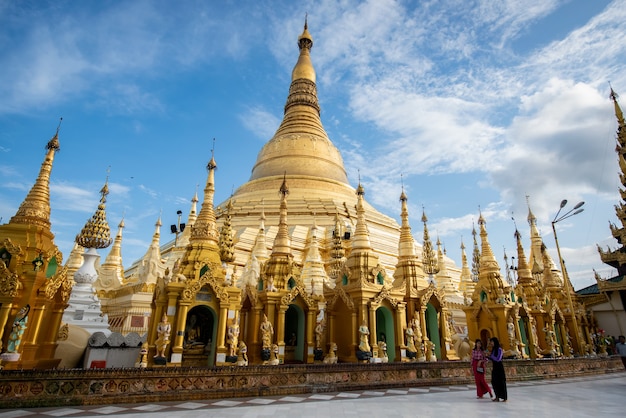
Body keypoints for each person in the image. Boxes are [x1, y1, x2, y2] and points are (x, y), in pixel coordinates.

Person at [487, 337, 507, 402]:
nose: (491, 343)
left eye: (492, 342)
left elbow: (498, 359)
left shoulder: (499, 350)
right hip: (495, 367)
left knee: (501, 382)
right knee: (494, 382)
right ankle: (497, 396)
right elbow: (492, 358)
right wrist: (487, 357)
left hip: (499, 367)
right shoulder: (493, 350)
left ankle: (504, 397)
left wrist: (491, 356)